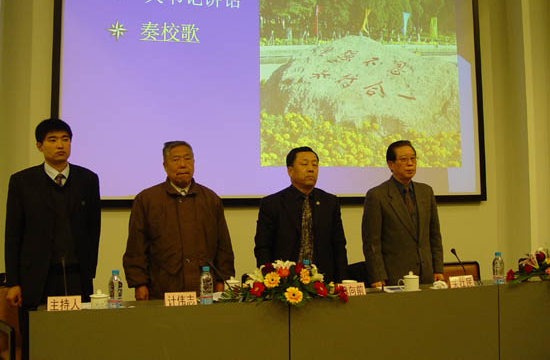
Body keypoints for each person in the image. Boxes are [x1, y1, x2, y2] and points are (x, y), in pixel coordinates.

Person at [4, 118, 101, 359]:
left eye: (65, 139)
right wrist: (13, 282)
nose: (60, 145)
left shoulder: (88, 180)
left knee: (78, 340)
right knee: (38, 342)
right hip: (36, 279)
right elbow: (13, 234)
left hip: (77, 276)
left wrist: (89, 271)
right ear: (39, 146)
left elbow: (94, 229)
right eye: (53, 140)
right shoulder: (22, 182)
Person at [123, 141, 234, 300]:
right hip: (162, 288)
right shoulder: (147, 200)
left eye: (187, 159)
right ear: (165, 165)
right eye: (176, 160)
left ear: (194, 163)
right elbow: (136, 247)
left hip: (204, 289)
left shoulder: (210, 199)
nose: (182, 165)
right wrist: (139, 283)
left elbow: (223, 246)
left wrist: (222, 279)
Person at [254, 146, 348, 282]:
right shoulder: (272, 204)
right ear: (290, 170)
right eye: (304, 164)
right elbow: (263, 247)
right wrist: (269, 279)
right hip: (284, 281)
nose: (311, 169)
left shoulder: (330, 202)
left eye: (315, 165)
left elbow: (339, 245)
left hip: (323, 282)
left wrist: (342, 280)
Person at [362, 140, 444, 287]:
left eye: (413, 158)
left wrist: (438, 268)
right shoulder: (377, 195)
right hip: (395, 277)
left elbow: (434, 235)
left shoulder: (426, 192)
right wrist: (377, 276)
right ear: (391, 164)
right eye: (404, 159)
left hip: (426, 275)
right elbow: (372, 243)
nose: (410, 163)